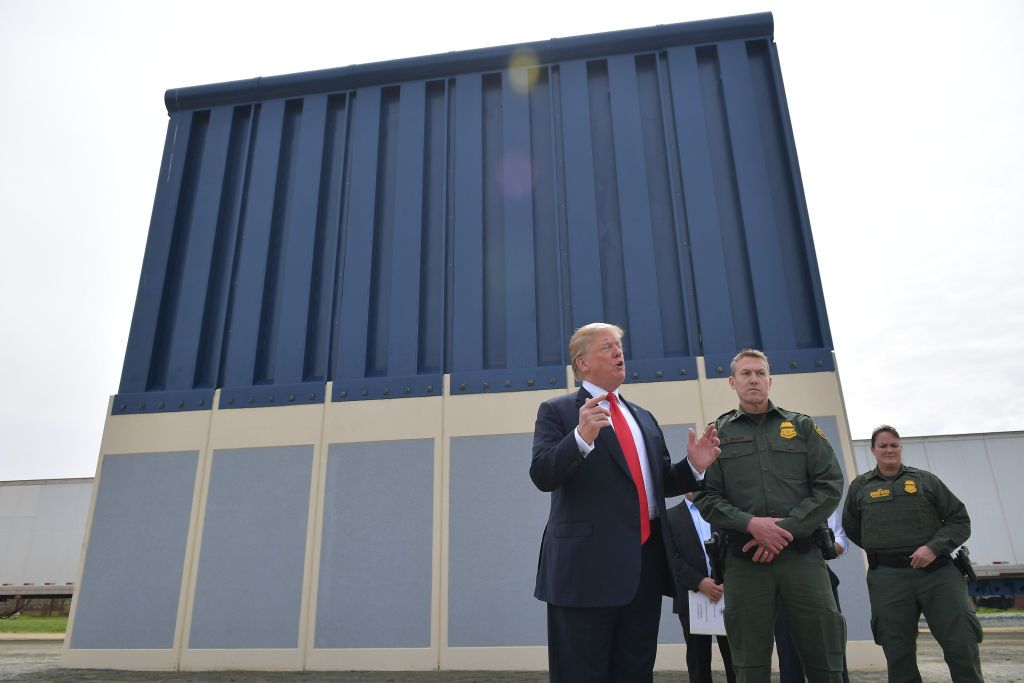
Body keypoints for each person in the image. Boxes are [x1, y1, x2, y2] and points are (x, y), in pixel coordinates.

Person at [530, 322, 720, 683]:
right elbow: (542, 475)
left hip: (643, 569)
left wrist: (693, 466)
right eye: (607, 347)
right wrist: (581, 438)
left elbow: (658, 481)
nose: (619, 352)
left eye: (618, 346)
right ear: (582, 363)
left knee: (635, 671)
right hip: (585, 571)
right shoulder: (558, 411)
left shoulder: (643, 417)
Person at [694, 348, 846, 683]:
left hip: (802, 557)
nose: (753, 379)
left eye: (760, 373)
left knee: (824, 654)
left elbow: (830, 485)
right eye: (745, 373)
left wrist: (784, 530)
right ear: (732, 382)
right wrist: (750, 525)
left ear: (770, 380)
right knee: (749, 661)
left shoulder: (802, 427)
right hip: (745, 562)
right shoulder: (717, 434)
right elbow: (706, 497)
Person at [843, 425, 984, 683]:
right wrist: (885, 549)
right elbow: (852, 527)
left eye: (894, 445)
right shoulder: (860, 487)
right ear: (873, 450)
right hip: (888, 578)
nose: (889, 450)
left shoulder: (925, 481)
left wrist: (933, 548)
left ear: (901, 448)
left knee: (961, 642)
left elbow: (959, 520)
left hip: (937, 574)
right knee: (897, 650)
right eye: (883, 445)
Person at [665, 492, 736, 683]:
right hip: (690, 597)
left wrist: (728, 580)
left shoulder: (723, 512)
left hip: (726, 594)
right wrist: (699, 582)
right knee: (698, 661)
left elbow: (734, 548)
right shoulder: (669, 516)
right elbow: (670, 557)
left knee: (735, 659)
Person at [775, 510, 850, 683]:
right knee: (788, 649)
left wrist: (814, 548)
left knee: (829, 647)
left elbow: (840, 541)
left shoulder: (817, 497)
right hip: (779, 579)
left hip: (817, 577)